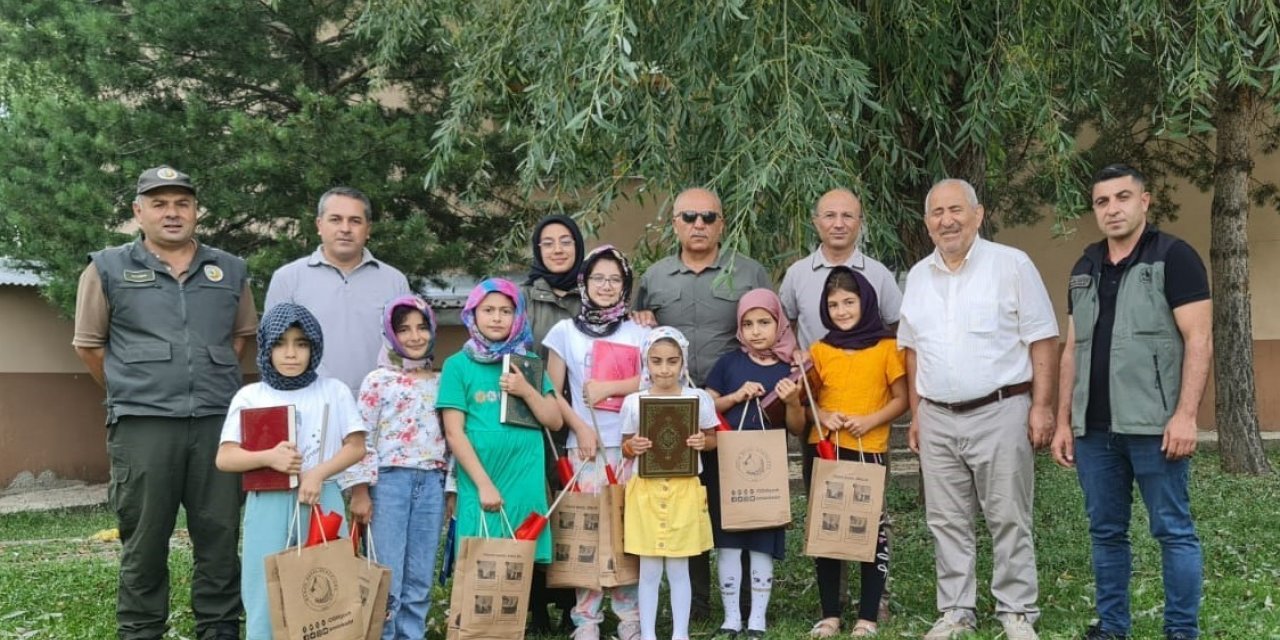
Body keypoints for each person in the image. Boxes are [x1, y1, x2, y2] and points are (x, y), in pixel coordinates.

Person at [72, 165, 256, 640]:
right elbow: (89, 345)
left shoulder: (230, 269)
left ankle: (219, 629)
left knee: (218, 537)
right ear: (139, 212)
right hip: (143, 426)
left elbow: (240, 337)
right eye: (159, 203)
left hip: (217, 424)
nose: (171, 213)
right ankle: (141, 631)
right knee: (145, 541)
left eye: (181, 203)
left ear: (196, 210)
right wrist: (135, 391)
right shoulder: (106, 267)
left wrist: (203, 383)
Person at [1051, 164, 1212, 640]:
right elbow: (1071, 349)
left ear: (1144, 201)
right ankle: (1113, 629)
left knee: (1173, 531)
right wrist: (1063, 421)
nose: (1112, 208)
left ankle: (1181, 631)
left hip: (1155, 428)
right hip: (1095, 432)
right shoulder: (1084, 267)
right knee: (1106, 534)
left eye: (1123, 197)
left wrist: (1185, 417)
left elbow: (1198, 340)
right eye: (1102, 201)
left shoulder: (1174, 257)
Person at [898, 179, 1059, 640]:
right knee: (945, 519)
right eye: (936, 213)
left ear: (978, 214)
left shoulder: (1011, 265)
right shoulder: (918, 276)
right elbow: (912, 352)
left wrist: (1042, 407)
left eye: (956, 210)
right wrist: (917, 414)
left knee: (1007, 513)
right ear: (927, 222)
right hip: (937, 416)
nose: (946, 220)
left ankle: (1016, 610)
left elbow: (1042, 339)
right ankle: (955, 610)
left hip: (1001, 409)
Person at [633, 187, 772, 617]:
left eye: (709, 217)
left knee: (740, 500)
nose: (699, 225)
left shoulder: (749, 273)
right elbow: (640, 336)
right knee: (682, 502)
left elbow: (770, 330)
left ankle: (747, 602)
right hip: (675, 412)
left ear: (722, 223)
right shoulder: (653, 278)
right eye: (689, 217)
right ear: (674, 222)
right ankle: (694, 603)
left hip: (737, 407)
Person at [215, 303, 369, 640]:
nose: (290, 353)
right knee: (264, 587)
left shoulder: (333, 391)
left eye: (301, 343)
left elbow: (356, 446)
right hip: (267, 501)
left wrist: (317, 473)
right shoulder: (251, 395)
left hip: (321, 498)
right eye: (280, 343)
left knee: (326, 589)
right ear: (266, 347)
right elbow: (225, 458)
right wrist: (268, 457)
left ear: (314, 348)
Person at [543, 245, 650, 640]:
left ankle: (630, 619)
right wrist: (579, 427)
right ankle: (586, 621)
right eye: (598, 278)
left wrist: (612, 386)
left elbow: (659, 378)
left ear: (625, 285)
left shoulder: (640, 333)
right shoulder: (563, 333)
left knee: (626, 531)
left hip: (630, 446)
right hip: (584, 446)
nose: (606, 286)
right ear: (583, 283)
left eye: (615, 279)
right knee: (586, 532)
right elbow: (551, 391)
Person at [802, 267, 907, 638]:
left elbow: (901, 399)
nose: (842, 310)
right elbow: (807, 399)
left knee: (870, 534)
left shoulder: (886, 347)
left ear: (866, 301)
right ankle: (830, 614)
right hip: (828, 450)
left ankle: (867, 617)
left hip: (868, 450)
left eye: (849, 302)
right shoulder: (819, 349)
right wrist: (824, 412)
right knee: (827, 533)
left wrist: (871, 419)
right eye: (833, 304)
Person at [437, 278, 565, 565]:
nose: (497, 317)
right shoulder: (457, 365)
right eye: (488, 310)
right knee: (480, 564)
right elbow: (454, 433)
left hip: (524, 478)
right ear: (473, 314)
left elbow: (554, 420)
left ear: (518, 316)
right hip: (482, 478)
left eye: (506, 311)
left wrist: (526, 391)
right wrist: (484, 484)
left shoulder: (526, 362)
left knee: (518, 569)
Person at [703, 288, 807, 638]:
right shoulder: (730, 363)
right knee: (729, 540)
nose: (756, 331)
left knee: (762, 540)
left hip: (767, 472)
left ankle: (757, 619)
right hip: (726, 465)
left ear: (779, 323)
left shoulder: (790, 368)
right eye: (748, 324)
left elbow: (797, 427)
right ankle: (731, 617)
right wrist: (735, 395)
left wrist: (793, 402)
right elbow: (707, 405)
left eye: (765, 322)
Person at [353, 295, 451, 640]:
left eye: (422, 327)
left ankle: (413, 634)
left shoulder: (442, 381)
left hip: (431, 484)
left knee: (420, 574)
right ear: (391, 335)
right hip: (389, 483)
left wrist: (449, 488)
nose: (414, 336)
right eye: (404, 329)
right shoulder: (377, 380)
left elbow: (452, 438)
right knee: (386, 573)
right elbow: (360, 439)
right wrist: (360, 490)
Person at [265, 186, 411, 398]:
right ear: (319, 225)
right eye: (335, 219)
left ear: (368, 229)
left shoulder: (394, 281)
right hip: (308, 402)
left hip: (380, 403)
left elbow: (405, 348)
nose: (345, 228)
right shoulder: (288, 279)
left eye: (355, 221)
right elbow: (272, 349)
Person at [619, 327, 717, 640]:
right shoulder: (635, 402)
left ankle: (680, 634)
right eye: (656, 361)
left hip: (683, 489)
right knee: (648, 569)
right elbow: (624, 445)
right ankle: (648, 633)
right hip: (646, 490)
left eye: (672, 361)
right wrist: (633, 446)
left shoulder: (697, 398)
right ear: (646, 361)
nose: (664, 369)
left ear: (682, 362)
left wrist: (704, 441)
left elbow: (713, 438)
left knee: (679, 568)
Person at [519, 214, 586, 633]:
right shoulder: (524, 297)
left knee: (575, 511)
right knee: (536, 507)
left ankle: (575, 605)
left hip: (581, 424)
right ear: (538, 250)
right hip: (530, 420)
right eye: (548, 243)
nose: (558, 249)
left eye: (566, 241)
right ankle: (536, 605)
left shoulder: (594, 294)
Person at [779, 188, 903, 346]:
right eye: (830, 216)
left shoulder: (878, 273)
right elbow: (784, 328)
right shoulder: (796, 274)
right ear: (815, 222)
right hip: (813, 369)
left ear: (860, 222)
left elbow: (898, 328)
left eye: (847, 216)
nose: (838, 224)